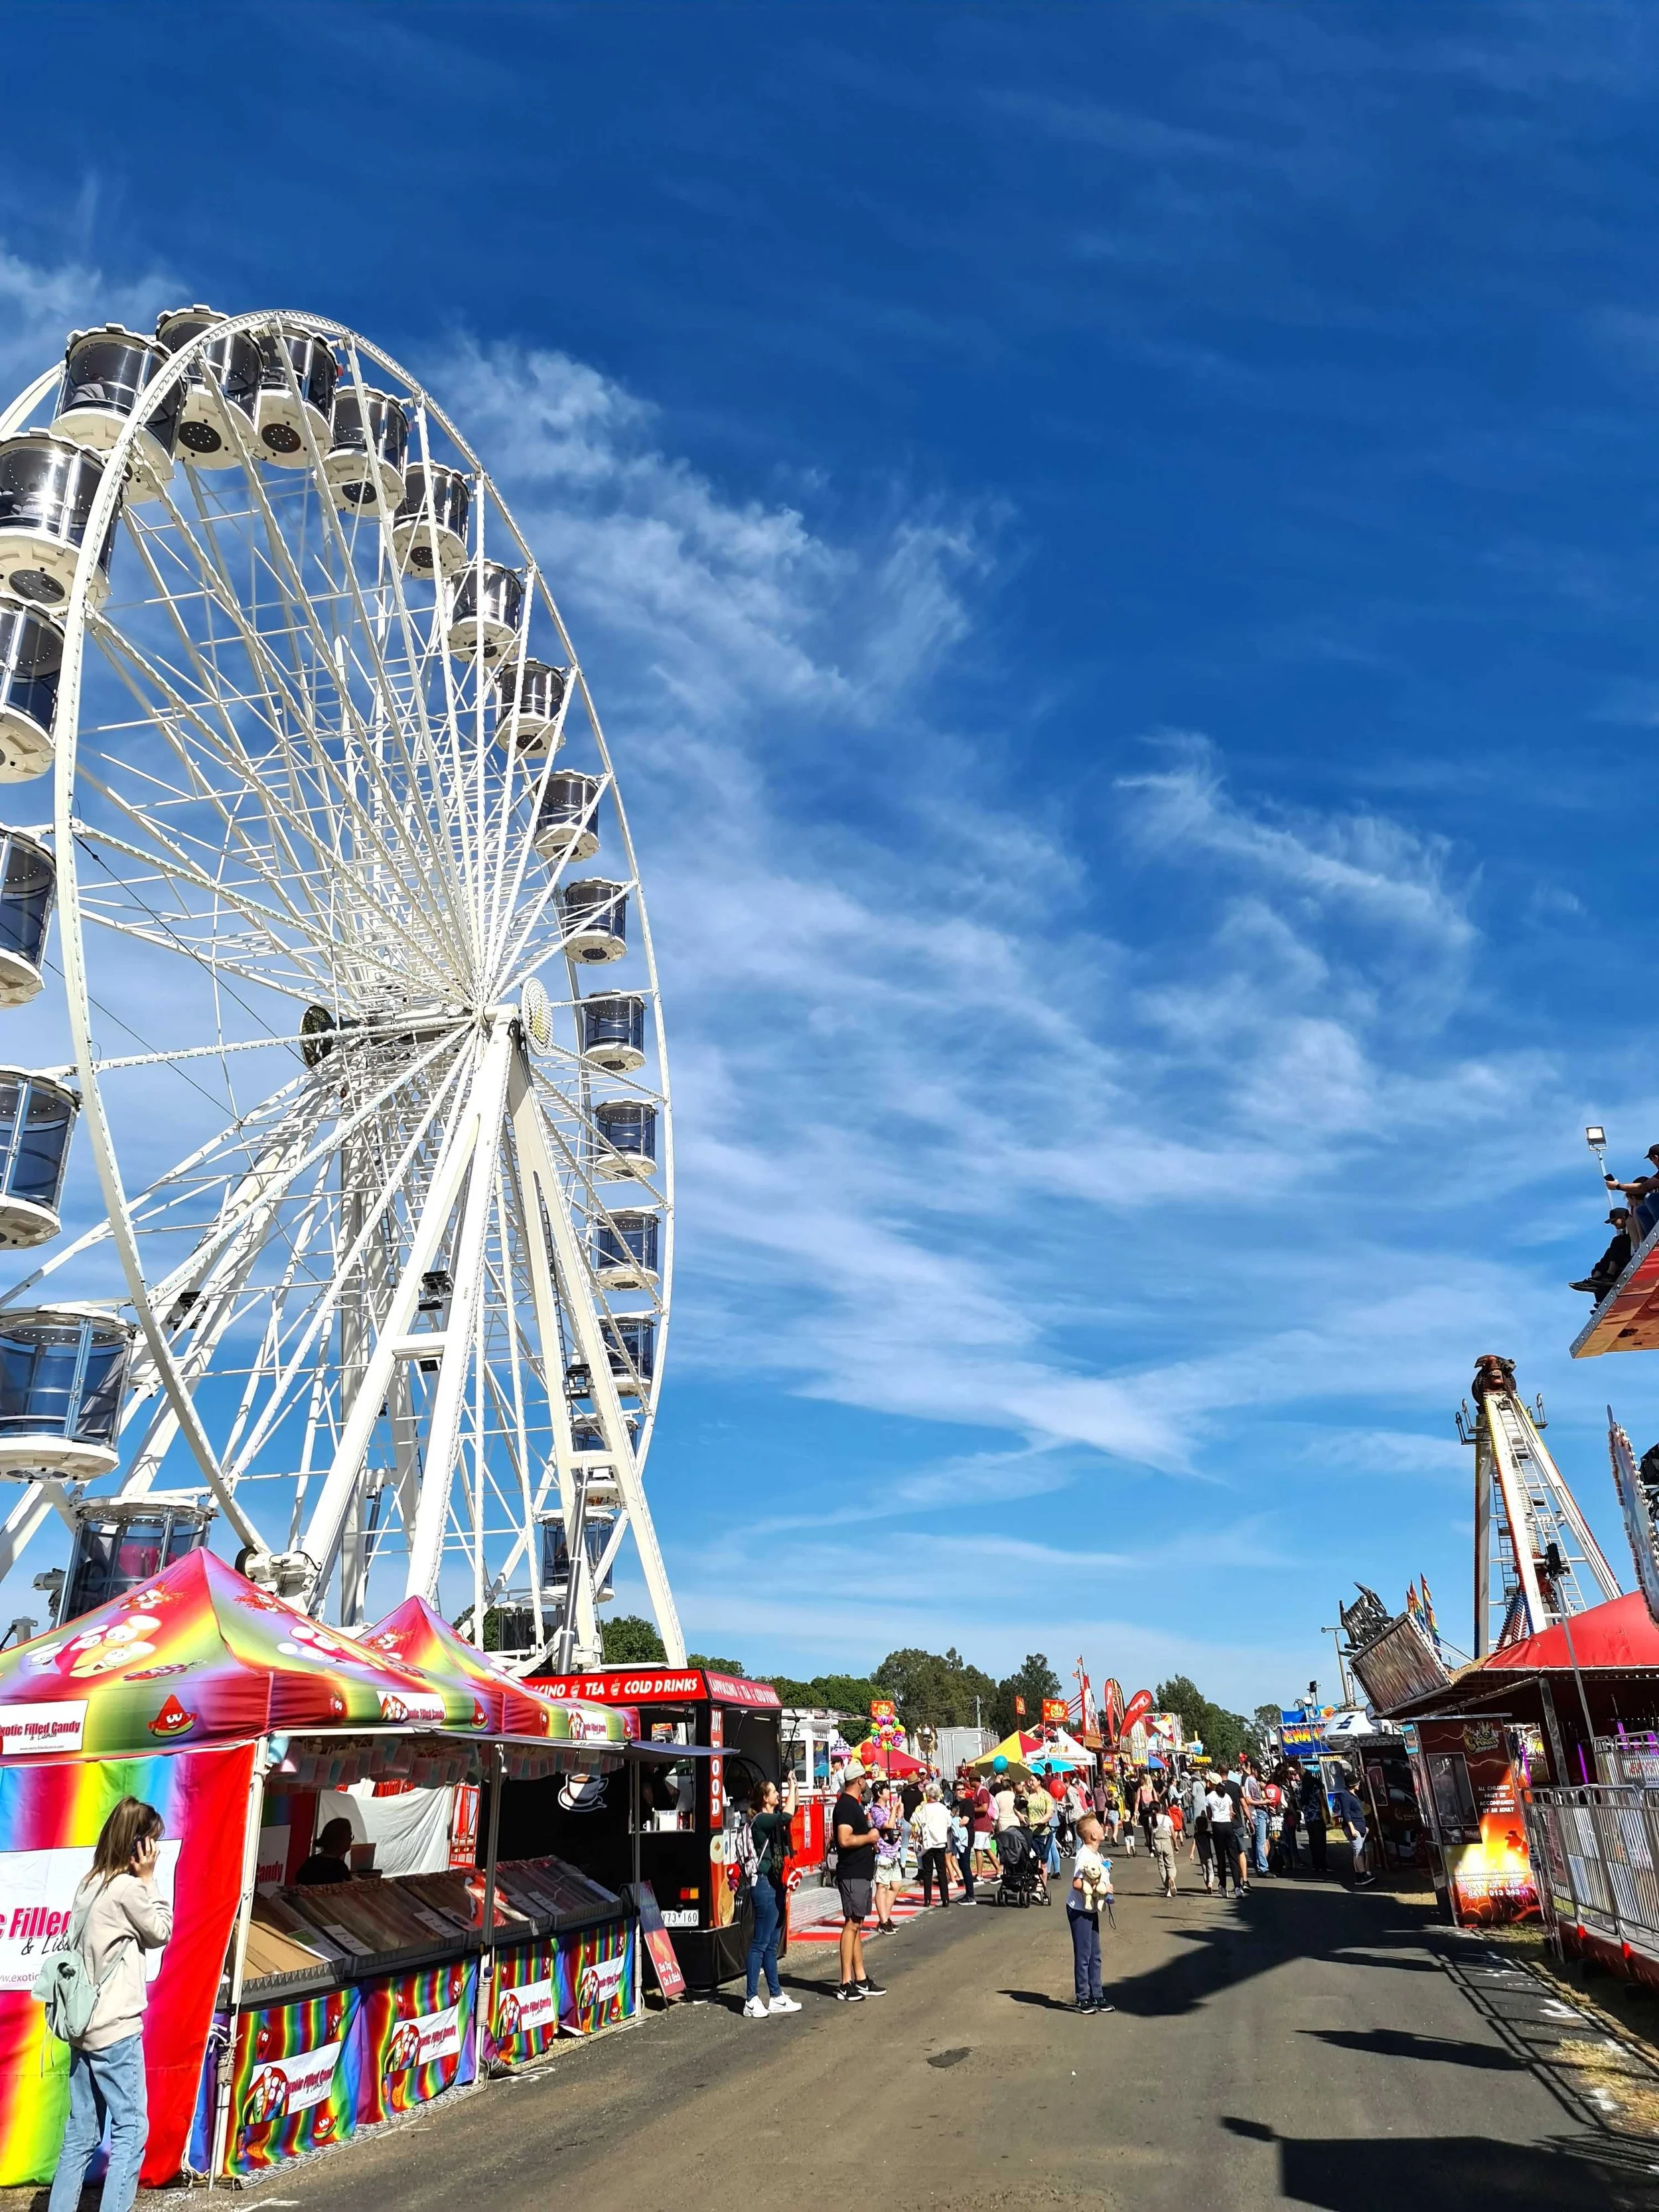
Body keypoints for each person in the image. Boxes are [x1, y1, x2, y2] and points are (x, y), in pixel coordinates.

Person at [47, 1797, 173, 2212]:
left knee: (81, 2133)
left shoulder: (91, 1882)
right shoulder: (126, 1890)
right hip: (116, 2030)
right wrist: (150, 1880)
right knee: (131, 2131)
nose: (156, 1849)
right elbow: (161, 1932)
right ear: (138, 1845)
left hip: (83, 2028)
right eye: (152, 1841)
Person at [741, 1775, 802, 2018]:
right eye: (774, 1792)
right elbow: (786, 1816)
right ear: (765, 1798)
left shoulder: (770, 1819)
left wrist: (794, 1787)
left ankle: (775, 1996)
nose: (778, 1795)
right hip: (764, 1884)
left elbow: (791, 1812)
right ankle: (751, 1998)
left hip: (776, 1884)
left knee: (772, 1944)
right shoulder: (761, 1821)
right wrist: (790, 1788)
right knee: (760, 1943)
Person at [832, 1761, 885, 2001]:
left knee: (857, 1924)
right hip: (852, 1872)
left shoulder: (854, 1805)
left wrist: (869, 1839)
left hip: (861, 1871)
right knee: (852, 1924)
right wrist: (869, 1837)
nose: (867, 1783)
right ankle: (845, 1982)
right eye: (865, 1779)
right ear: (860, 1781)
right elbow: (844, 1840)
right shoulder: (845, 1806)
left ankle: (860, 1978)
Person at [1066, 1814, 1114, 2014]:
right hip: (1079, 1909)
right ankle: (1083, 1997)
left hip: (1090, 1909)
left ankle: (1098, 1994)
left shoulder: (1097, 1855)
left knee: (1096, 1954)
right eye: (1099, 1827)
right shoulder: (1084, 1855)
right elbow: (1077, 1883)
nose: (1103, 1828)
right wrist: (1098, 1889)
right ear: (1094, 1835)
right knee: (1084, 1954)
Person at [1573, 1208, 1634, 1297]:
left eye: (1614, 1221)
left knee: (1616, 1242)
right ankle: (1597, 1287)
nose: (1613, 1224)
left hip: (1629, 1251)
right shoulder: (1622, 1232)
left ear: (1624, 1218)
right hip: (1624, 1253)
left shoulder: (1631, 1223)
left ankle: (1610, 1274)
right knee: (1598, 1268)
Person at [912, 1781, 954, 1908]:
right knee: (941, 1871)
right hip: (941, 1842)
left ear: (928, 1795)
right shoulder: (943, 1808)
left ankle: (927, 1899)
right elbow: (949, 1823)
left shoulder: (924, 1809)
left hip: (928, 1843)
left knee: (927, 1872)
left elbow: (913, 1820)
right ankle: (945, 1898)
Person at [869, 1781, 902, 1930]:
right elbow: (887, 1826)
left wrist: (898, 1812)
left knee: (896, 1885)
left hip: (893, 1851)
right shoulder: (876, 1810)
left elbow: (895, 1824)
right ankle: (883, 1920)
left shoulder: (887, 1809)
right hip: (883, 1853)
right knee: (882, 1886)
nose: (889, 1792)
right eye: (886, 1790)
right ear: (879, 1793)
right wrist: (895, 1809)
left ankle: (886, 1917)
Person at [1331, 1774, 1374, 1887]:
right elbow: (1346, 1813)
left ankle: (1358, 1875)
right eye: (1358, 1783)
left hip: (1359, 1826)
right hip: (1353, 1827)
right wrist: (1352, 1829)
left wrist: (1363, 1826)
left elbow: (1357, 1812)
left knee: (1357, 1851)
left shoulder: (1353, 1795)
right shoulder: (1346, 1796)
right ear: (1353, 1785)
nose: (1359, 1785)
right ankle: (1363, 1874)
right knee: (1359, 1852)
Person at [1205, 1773, 1242, 1898]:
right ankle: (1238, 1887)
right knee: (1233, 1857)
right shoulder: (1226, 1796)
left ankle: (1223, 1886)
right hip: (1228, 1826)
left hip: (1218, 1827)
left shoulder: (1209, 1797)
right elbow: (1231, 1812)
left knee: (1221, 1858)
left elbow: (1209, 1815)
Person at [295, 1816, 356, 1885]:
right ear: (340, 1841)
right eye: (350, 1836)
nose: (351, 1840)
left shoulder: (311, 1861)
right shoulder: (339, 1868)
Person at [950, 1775, 979, 1900]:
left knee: (965, 1864)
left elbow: (965, 1821)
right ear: (954, 1792)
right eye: (958, 1789)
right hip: (958, 1837)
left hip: (966, 1836)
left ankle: (970, 1895)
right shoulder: (956, 1804)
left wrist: (953, 1822)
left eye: (963, 1789)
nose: (961, 1791)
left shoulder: (967, 1803)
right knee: (962, 1864)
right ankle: (968, 1893)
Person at [1241, 1760, 1270, 1876]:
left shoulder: (1253, 1781)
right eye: (1258, 1771)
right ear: (1253, 1770)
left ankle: (1260, 1865)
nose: (1259, 1773)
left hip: (1259, 1813)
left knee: (1259, 1841)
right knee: (1261, 1842)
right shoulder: (1250, 1781)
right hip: (1258, 1813)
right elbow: (1248, 1800)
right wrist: (1264, 1802)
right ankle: (1263, 1868)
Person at [1301, 1766, 1329, 1876]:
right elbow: (1321, 1800)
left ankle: (1315, 1864)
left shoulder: (1300, 1788)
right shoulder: (1314, 1786)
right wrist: (1326, 1811)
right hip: (1317, 1816)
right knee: (1321, 1841)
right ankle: (1323, 1863)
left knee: (1312, 1841)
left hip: (1308, 1818)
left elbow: (1299, 1803)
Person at [1151, 1802, 1178, 1897]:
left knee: (1162, 1866)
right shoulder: (1167, 1818)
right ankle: (1172, 1878)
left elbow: (1152, 1833)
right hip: (1166, 1842)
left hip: (1157, 1843)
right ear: (1160, 1808)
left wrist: (1152, 1847)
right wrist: (1175, 1844)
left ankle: (1167, 1888)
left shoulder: (1152, 1819)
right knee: (1170, 1864)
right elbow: (1172, 1832)